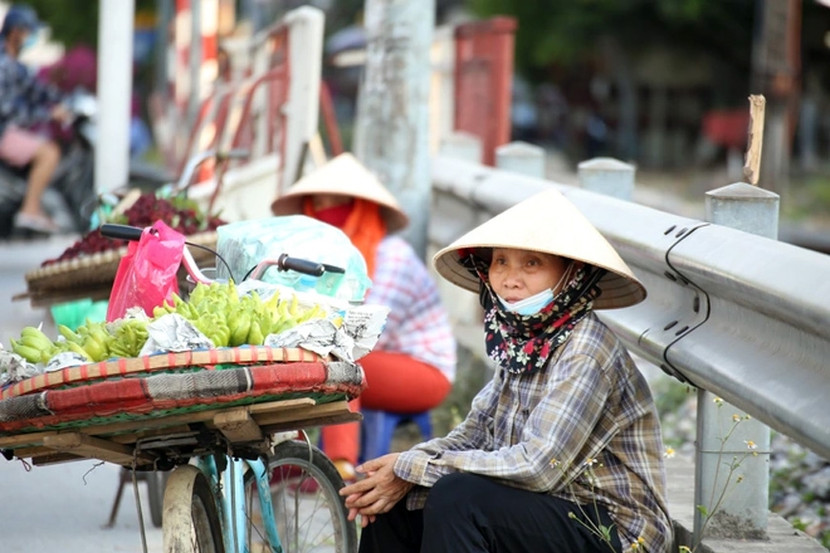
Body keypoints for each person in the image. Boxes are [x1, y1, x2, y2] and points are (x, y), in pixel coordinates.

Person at [339, 188, 672, 553]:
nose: (510, 279)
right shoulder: (524, 340)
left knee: (458, 498)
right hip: (548, 506)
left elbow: (538, 466)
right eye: (501, 262)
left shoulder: (585, 349)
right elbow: (476, 434)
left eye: (531, 263)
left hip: (613, 529)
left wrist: (416, 469)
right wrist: (404, 466)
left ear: (571, 275)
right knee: (394, 503)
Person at [271, 153, 457, 482]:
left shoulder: (391, 256)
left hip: (424, 370)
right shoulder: (324, 258)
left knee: (342, 363)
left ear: (362, 208)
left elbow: (363, 334)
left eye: (338, 202)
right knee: (303, 360)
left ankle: (339, 469)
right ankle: (295, 462)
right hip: (374, 358)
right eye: (319, 202)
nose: (327, 210)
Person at [0, 4, 69, 234]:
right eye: (29, 32)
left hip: (9, 130)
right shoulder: (3, 65)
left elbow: (38, 90)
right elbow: (8, 111)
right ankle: (30, 209)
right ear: (15, 32)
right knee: (49, 152)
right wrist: (49, 114)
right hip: (3, 132)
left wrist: (66, 100)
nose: (32, 37)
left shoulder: (15, 65)